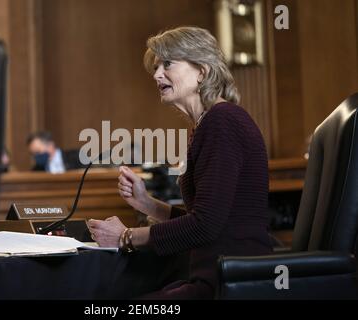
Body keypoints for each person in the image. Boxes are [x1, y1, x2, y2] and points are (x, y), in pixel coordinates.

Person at [87, 26, 273, 299]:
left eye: (168, 64)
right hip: (218, 276)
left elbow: (205, 226)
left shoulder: (222, 122)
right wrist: (148, 204)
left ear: (202, 71)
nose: (157, 74)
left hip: (230, 284)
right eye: (156, 66)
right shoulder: (210, 123)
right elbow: (210, 220)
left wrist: (126, 236)